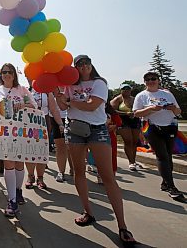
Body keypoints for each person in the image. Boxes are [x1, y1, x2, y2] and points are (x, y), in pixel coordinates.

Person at [55, 55, 136, 245]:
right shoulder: (68, 85)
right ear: (75, 68)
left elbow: (92, 106)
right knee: (79, 172)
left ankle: (122, 226)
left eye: (86, 63)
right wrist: (59, 96)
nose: (83, 67)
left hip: (97, 130)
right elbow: (61, 106)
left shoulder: (100, 83)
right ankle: (88, 212)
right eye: (79, 64)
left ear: (91, 65)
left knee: (107, 177)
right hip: (74, 129)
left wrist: (69, 102)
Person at [0, 64, 35, 217]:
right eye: (4, 72)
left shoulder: (22, 89)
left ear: (14, 74)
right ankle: (12, 201)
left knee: (19, 163)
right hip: (5, 133)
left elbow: (34, 106)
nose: (6, 74)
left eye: (10, 72)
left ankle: (18, 190)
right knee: (9, 163)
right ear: (1, 75)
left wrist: (23, 104)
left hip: (21, 132)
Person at [133, 71, 183, 198]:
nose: (151, 81)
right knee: (162, 156)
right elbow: (136, 114)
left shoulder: (167, 94)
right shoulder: (141, 96)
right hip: (151, 127)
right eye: (147, 79)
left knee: (168, 155)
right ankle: (172, 187)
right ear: (144, 82)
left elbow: (178, 111)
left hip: (170, 126)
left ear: (158, 80)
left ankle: (165, 183)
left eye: (153, 78)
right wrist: (150, 109)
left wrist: (172, 108)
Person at [27, 81, 63, 187]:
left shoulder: (47, 92)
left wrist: (60, 123)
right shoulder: (26, 91)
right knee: (29, 152)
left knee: (41, 152)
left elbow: (54, 109)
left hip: (43, 123)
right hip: (28, 124)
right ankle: (30, 176)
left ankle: (40, 178)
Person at [110, 84, 141, 171]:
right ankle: (131, 162)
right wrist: (125, 113)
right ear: (121, 90)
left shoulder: (134, 99)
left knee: (134, 142)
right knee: (128, 141)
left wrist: (135, 113)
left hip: (134, 120)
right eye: (124, 89)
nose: (126, 90)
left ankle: (133, 161)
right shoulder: (117, 99)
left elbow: (140, 108)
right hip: (123, 120)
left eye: (128, 89)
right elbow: (112, 111)